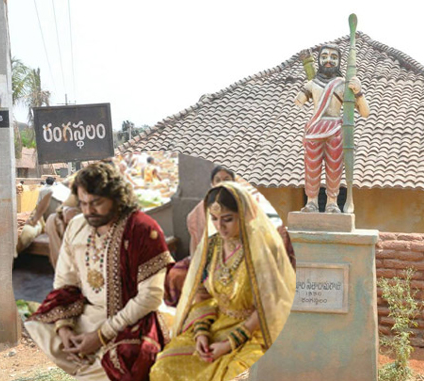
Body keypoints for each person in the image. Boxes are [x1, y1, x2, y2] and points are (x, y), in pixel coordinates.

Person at [25, 162, 175, 381]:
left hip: (131, 319)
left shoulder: (142, 229)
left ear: (116, 197)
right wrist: (64, 327)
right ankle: (85, 358)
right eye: (83, 203)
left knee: (125, 359)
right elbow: (65, 282)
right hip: (86, 314)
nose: (88, 211)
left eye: (96, 203)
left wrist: (100, 336)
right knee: (37, 328)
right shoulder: (77, 225)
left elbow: (150, 297)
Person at [150, 182, 296, 381]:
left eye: (227, 219)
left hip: (254, 330)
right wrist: (201, 333)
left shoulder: (262, 249)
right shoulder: (212, 246)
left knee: (237, 375)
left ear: (244, 215)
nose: (220, 226)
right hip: (215, 324)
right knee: (163, 366)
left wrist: (228, 344)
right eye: (214, 219)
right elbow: (202, 293)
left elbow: (268, 306)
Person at [294, 43, 370, 213]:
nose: (328, 61)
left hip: (335, 129)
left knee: (334, 168)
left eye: (333, 57)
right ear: (319, 60)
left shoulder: (343, 84)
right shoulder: (312, 83)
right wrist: (304, 88)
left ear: (339, 61)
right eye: (325, 57)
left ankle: (332, 203)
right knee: (311, 168)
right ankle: (311, 202)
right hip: (314, 129)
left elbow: (365, 112)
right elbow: (298, 101)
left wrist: (358, 92)